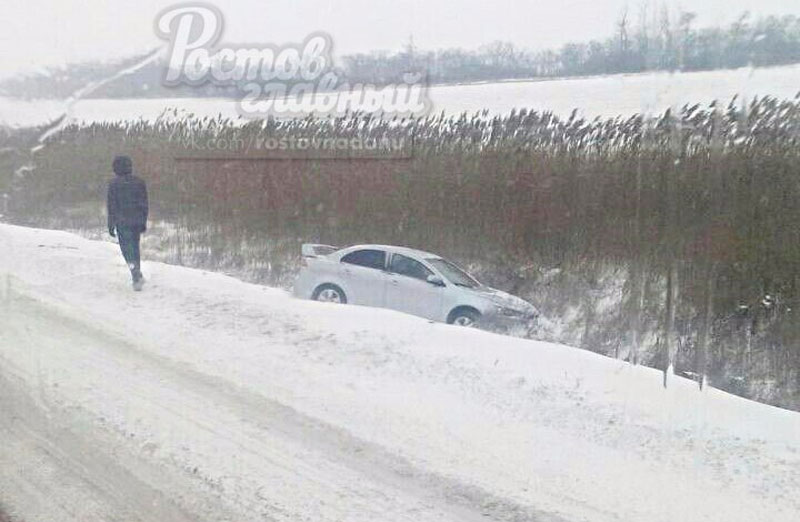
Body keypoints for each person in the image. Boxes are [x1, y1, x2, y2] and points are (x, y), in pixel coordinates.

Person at [107, 155, 148, 290]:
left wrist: (111, 224)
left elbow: (111, 206)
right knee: (135, 248)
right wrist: (143, 220)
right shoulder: (139, 182)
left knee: (127, 250)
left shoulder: (114, 184)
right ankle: (137, 273)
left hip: (122, 222)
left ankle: (135, 274)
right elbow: (144, 204)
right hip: (136, 220)